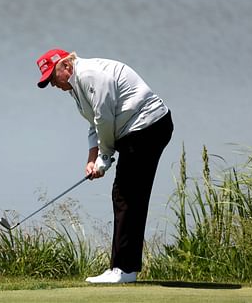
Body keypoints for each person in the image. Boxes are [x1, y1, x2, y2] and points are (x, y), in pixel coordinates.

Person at [35, 48, 173, 284]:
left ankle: (124, 269)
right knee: (127, 194)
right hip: (137, 130)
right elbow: (95, 125)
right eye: (47, 81)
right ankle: (122, 268)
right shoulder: (76, 86)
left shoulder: (89, 75)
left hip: (147, 127)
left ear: (66, 66)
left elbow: (104, 119)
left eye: (52, 78)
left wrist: (105, 157)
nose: (53, 85)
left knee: (126, 195)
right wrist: (92, 159)